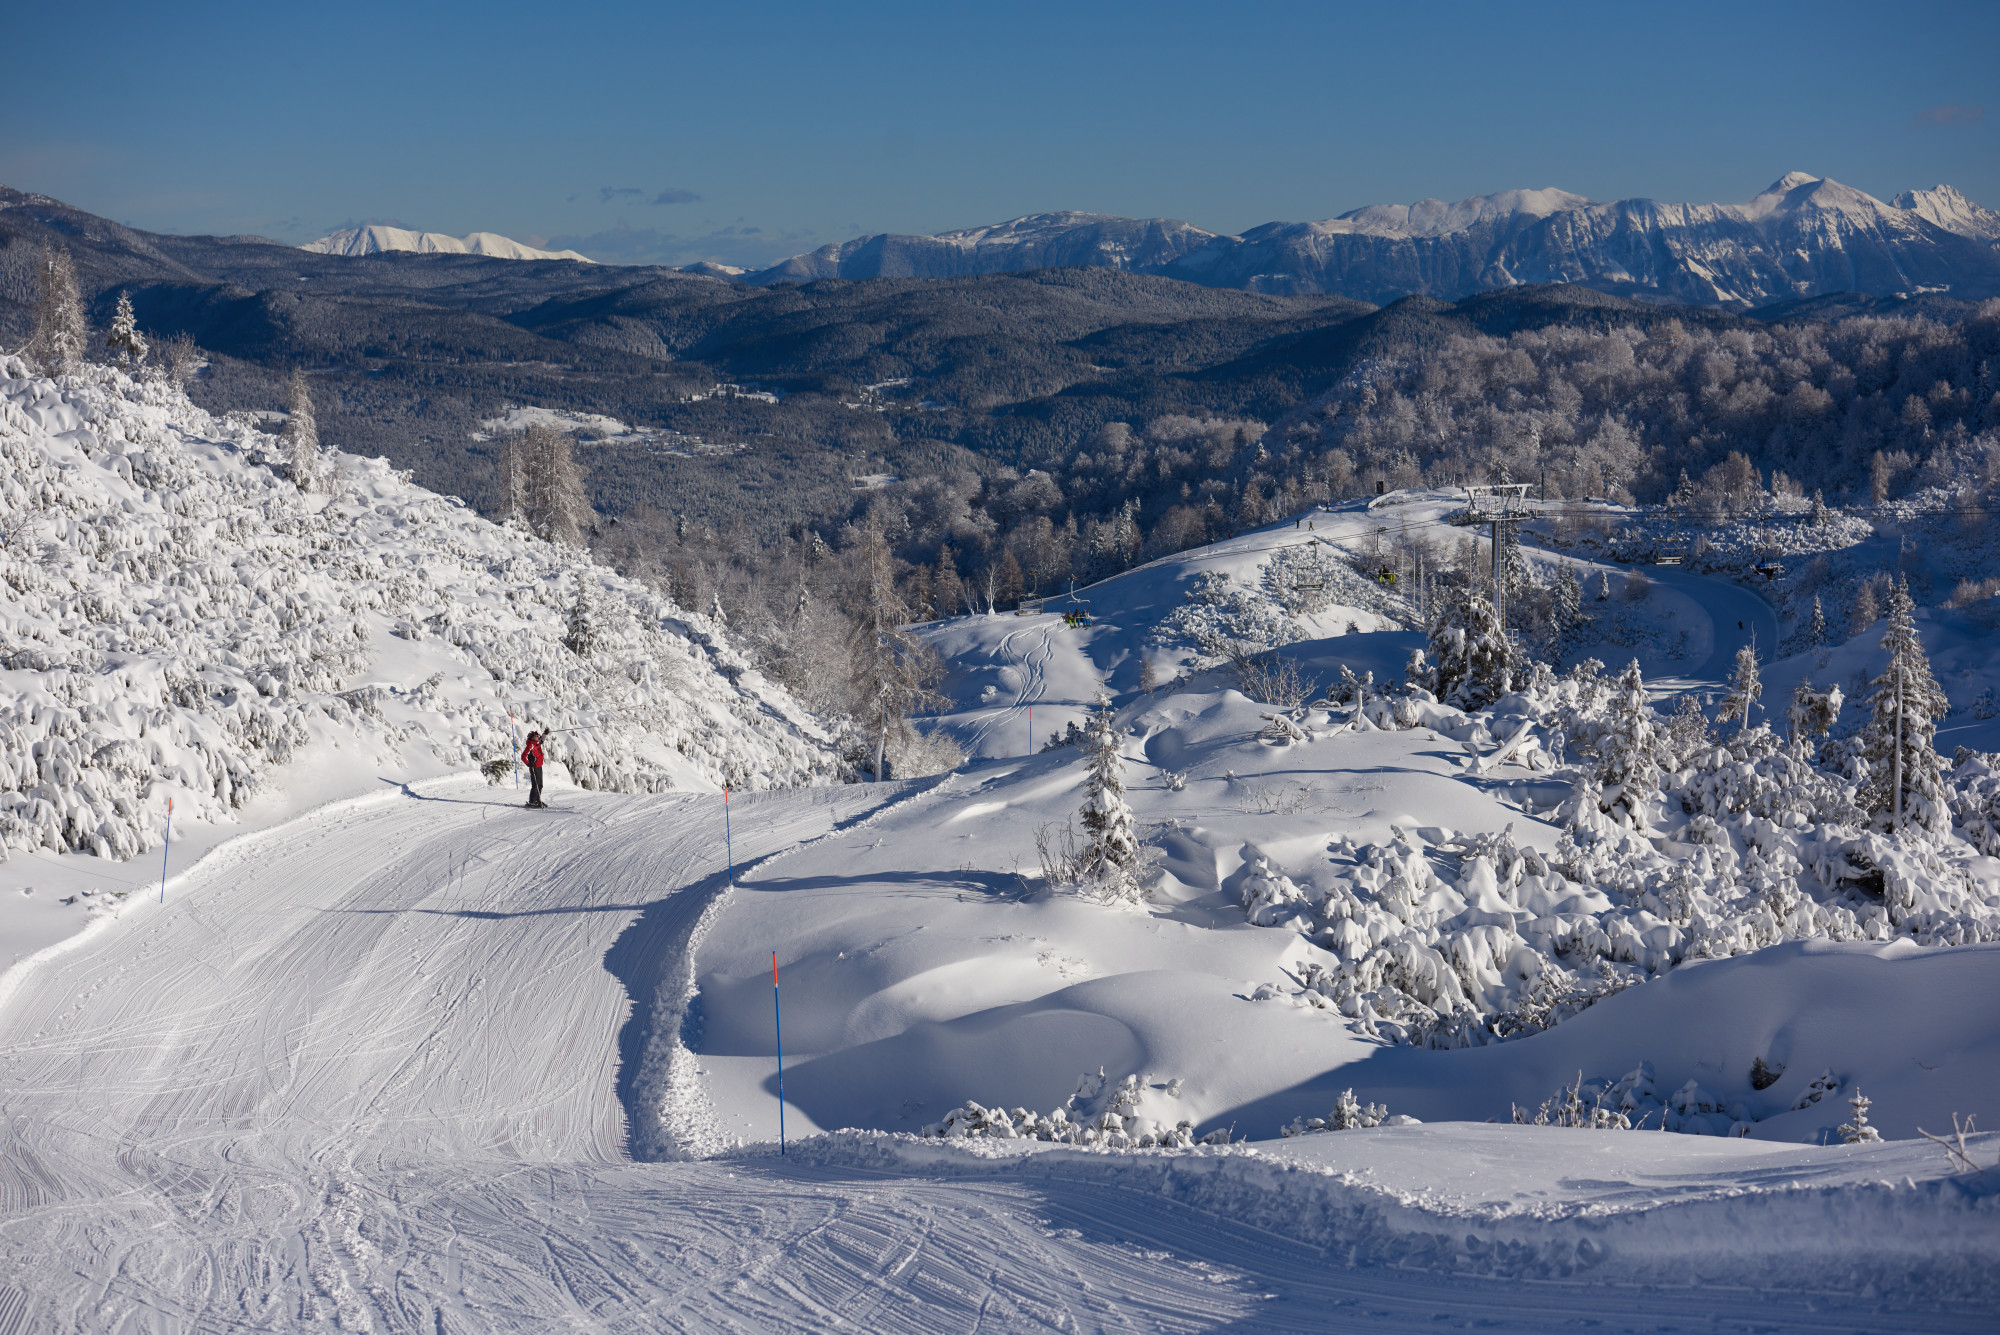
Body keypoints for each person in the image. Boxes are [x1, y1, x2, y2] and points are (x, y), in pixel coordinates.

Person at [522, 730, 546, 808]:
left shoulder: (536, 743)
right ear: (533, 737)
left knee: (540, 784)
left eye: (538, 736)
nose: (538, 737)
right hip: (534, 767)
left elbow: (542, 740)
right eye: (536, 736)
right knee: (535, 785)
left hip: (539, 766)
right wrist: (529, 763)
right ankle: (532, 801)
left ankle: (537, 800)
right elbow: (523, 756)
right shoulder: (530, 745)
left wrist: (545, 734)